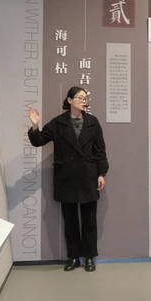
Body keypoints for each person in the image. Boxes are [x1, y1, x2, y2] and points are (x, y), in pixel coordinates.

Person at [28, 87, 109, 272]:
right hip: (66, 178)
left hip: (88, 176)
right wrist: (35, 125)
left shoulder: (93, 122)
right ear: (70, 100)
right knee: (70, 220)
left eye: (85, 98)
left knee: (89, 221)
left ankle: (89, 257)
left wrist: (101, 173)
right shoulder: (58, 123)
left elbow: (100, 151)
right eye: (79, 97)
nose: (83, 100)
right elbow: (38, 140)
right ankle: (73, 257)